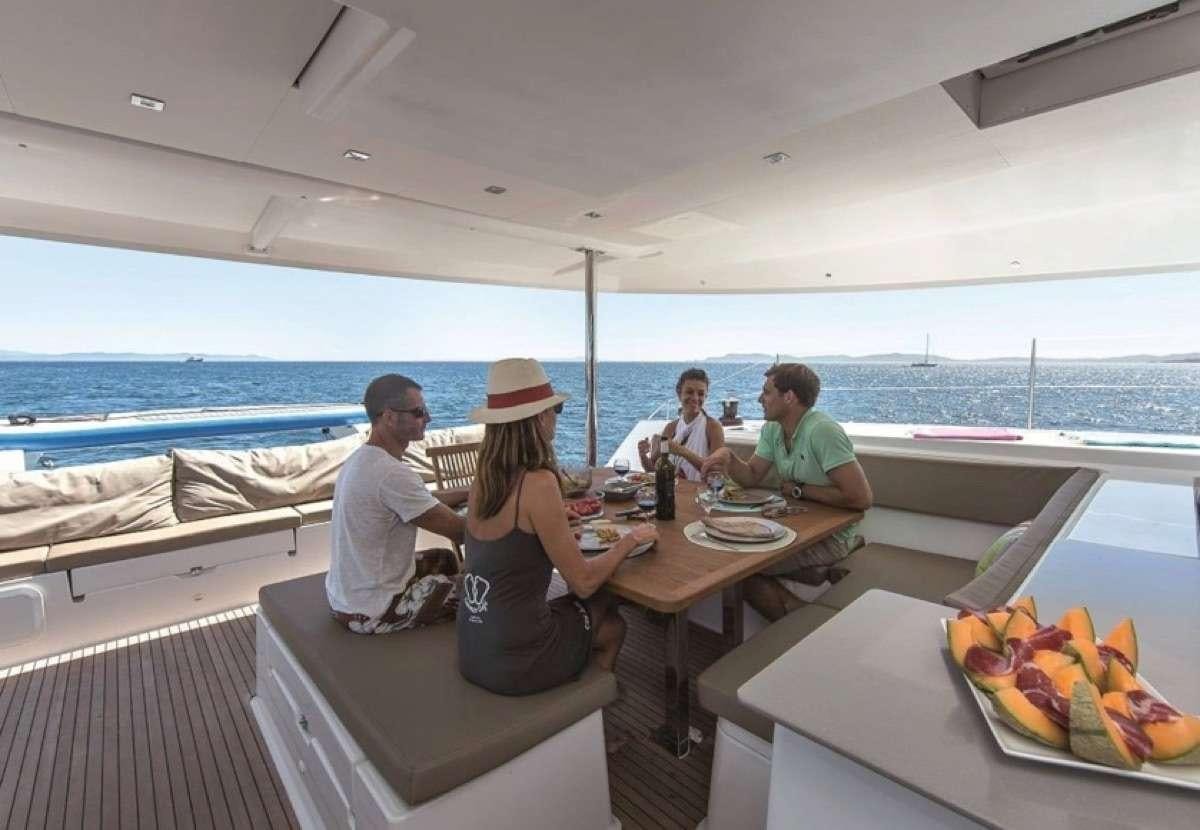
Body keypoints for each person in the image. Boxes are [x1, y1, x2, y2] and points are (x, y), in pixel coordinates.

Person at [458, 358, 657, 695]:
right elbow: (582, 582)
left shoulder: (484, 479)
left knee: (596, 604)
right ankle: (591, 707)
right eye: (556, 411)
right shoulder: (538, 483)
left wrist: (555, 526)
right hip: (516, 661)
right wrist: (631, 540)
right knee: (612, 624)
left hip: (475, 646)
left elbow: (510, 541)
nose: (556, 419)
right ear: (539, 418)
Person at [700, 363, 872, 621]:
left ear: (789, 397)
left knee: (739, 570)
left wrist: (799, 490)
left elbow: (862, 499)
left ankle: (801, 623)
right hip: (796, 526)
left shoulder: (822, 431)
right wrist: (728, 455)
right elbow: (751, 476)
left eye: (766, 392)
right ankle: (813, 573)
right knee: (731, 557)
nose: (759, 398)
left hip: (830, 537)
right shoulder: (773, 428)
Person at [326, 374, 468, 634]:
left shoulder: (363, 459)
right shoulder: (391, 474)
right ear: (389, 417)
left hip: (345, 599)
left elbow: (424, 501)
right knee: (485, 589)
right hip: (374, 611)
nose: (428, 418)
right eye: (419, 412)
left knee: (446, 559)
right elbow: (462, 531)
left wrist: (471, 491)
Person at [636, 368, 725, 481]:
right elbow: (655, 473)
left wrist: (681, 450)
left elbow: (716, 473)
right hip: (673, 493)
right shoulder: (671, 428)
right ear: (679, 394)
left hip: (700, 495)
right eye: (689, 392)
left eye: (701, 394)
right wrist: (643, 455)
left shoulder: (713, 427)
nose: (695, 398)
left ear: (706, 397)